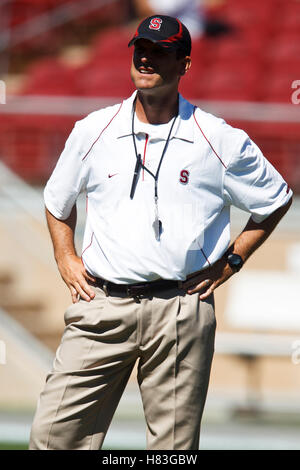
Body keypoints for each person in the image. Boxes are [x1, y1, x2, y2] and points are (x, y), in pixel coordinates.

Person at [29, 15, 292, 450]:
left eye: (161, 51)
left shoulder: (218, 138)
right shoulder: (93, 130)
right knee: (52, 439)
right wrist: (64, 257)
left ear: (184, 64)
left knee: (172, 451)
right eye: (141, 49)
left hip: (180, 311)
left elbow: (276, 199)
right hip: (101, 307)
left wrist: (231, 261)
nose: (147, 58)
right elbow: (58, 203)